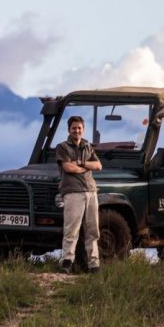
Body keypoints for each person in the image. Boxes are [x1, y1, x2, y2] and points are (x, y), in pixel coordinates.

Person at [55, 115, 102, 274]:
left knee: (93, 230)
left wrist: (81, 164)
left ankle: (93, 264)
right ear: (69, 129)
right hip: (73, 192)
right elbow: (68, 168)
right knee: (71, 230)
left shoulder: (88, 146)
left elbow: (98, 165)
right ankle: (66, 262)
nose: (77, 130)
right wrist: (85, 168)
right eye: (74, 128)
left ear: (83, 129)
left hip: (90, 191)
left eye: (79, 128)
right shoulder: (62, 147)